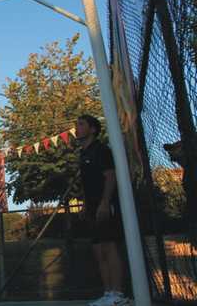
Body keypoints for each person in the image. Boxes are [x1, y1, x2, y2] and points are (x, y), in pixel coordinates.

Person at [75, 115, 130, 306]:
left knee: (109, 246)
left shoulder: (101, 150)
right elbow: (86, 183)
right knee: (98, 250)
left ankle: (118, 293)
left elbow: (110, 176)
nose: (77, 127)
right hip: (91, 207)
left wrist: (105, 202)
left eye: (81, 124)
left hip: (104, 204)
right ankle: (108, 293)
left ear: (92, 129)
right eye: (76, 124)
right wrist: (84, 205)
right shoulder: (83, 154)